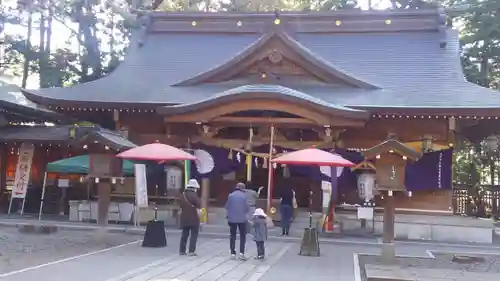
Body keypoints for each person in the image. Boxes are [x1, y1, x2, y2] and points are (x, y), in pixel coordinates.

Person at [225, 182, 249, 260]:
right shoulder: (244, 196)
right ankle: (241, 253)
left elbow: (227, 206)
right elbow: (247, 208)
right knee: (242, 236)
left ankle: (232, 253)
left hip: (232, 219)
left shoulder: (230, 195)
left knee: (232, 236)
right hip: (242, 219)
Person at [179, 179, 201, 256]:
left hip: (184, 217)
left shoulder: (183, 195)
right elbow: (198, 208)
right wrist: (200, 217)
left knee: (184, 234)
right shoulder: (194, 196)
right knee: (194, 235)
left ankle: (182, 250)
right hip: (194, 217)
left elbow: (180, 206)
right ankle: (191, 251)